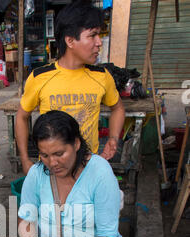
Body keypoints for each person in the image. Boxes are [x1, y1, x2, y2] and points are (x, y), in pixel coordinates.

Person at [0, 111, 146, 237]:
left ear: (76, 144)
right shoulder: (37, 173)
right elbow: (27, 217)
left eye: (59, 153)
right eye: (45, 155)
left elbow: (107, 233)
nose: (53, 163)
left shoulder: (100, 173)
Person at [15, 0, 125, 175]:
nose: (99, 42)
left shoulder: (102, 76)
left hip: (88, 167)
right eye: (92, 35)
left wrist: (113, 138)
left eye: (99, 35)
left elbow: (118, 108)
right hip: (51, 168)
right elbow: (21, 117)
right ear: (70, 41)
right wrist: (25, 159)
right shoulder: (40, 77)